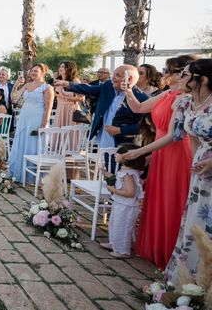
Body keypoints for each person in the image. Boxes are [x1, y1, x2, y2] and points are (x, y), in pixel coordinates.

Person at [125, 59, 212, 283]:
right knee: (190, 214)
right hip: (194, 165)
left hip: (193, 159)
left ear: (202, 79)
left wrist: (140, 152)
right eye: (179, 73)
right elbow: (186, 137)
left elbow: (176, 137)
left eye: (185, 74)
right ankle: (185, 268)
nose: (180, 77)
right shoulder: (181, 100)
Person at [55, 65, 148, 148]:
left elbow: (144, 127)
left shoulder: (141, 98)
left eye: (118, 75)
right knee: (104, 166)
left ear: (130, 79)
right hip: (103, 137)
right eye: (113, 74)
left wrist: (120, 130)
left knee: (118, 167)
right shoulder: (108, 86)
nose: (113, 78)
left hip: (123, 144)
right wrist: (67, 84)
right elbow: (90, 89)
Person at [8, 64, 54, 183]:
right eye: (32, 70)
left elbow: (48, 108)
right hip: (24, 119)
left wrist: (43, 125)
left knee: (33, 144)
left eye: (36, 71)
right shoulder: (27, 85)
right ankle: (19, 173)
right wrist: (17, 84)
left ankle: (33, 177)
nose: (33, 73)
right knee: (22, 142)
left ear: (43, 72)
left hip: (37, 119)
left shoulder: (47, 87)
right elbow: (14, 99)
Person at [99, 143, 146, 258]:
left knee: (123, 227)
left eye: (119, 152)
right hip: (120, 203)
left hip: (127, 206)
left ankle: (123, 250)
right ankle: (114, 243)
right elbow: (119, 181)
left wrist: (113, 190)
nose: (115, 153)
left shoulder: (128, 174)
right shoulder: (125, 170)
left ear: (127, 157)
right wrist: (106, 173)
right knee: (114, 224)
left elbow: (130, 193)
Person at [53, 61, 84, 128]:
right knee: (58, 131)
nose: (60, 68)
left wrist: (64, 97)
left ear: (69, 69)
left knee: (71, 132)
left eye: (63, 67)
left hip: (71, 109)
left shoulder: (74, 81)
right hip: (60, 108)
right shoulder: (57, 80)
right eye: (60, 66)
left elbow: (81, 98)